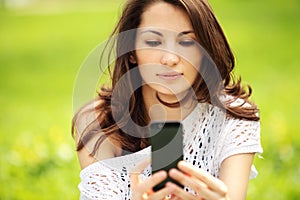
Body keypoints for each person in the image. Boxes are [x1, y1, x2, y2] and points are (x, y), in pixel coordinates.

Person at [72, 0, 263, 199]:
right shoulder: (99, 121)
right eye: (154, 42)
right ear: (131, 52)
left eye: (187, 42)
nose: (170, 59)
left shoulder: (234, 117)